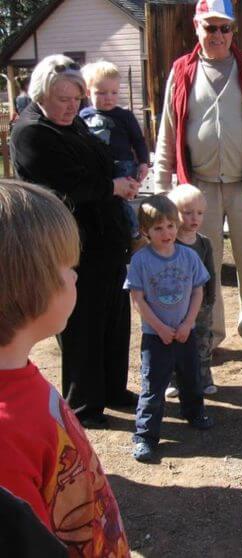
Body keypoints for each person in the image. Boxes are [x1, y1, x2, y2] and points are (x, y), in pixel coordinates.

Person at [10, 54, 140, 428]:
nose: (72, 106)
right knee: (82, 324)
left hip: (106, 240)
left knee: (114, 320)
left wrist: (122, 181)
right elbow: (62, 188)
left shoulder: (73, 124)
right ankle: (85, 404)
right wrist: (111, 187)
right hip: (72, 246)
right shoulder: (32, 131)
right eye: (63, 99)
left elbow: (102, 161)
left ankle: (114, 389)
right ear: (42, 95)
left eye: (76, 99)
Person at [0, 180, 129, 556]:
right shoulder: (6, 437)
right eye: (68, 266)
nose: (76, 276)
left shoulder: (19, 373)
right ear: (28, 284)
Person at [154, 0, 242, 359]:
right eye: (210, 27)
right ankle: (209, 336)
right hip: (198, 188)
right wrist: (162, 190)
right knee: (203, 265)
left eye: (224, 28)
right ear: (196, 27)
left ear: (233, 31)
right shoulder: (181, 71)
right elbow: (167, 131)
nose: (217, 34)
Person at [125, 195, 214, 463]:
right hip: (156, 336)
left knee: (191, 376)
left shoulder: (188, 256)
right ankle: (145, 435)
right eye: (158, 228)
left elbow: (198, 291)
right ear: (145, 231)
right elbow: (138, 299)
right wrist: (160, 327)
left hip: (185, 332)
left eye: (171, 226)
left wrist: (188, 323)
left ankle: (193, 411)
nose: (167, 233)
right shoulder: (141, 260)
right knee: (153, 384)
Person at [80, 60, 150, 246]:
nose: (108, 98)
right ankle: (105, 232)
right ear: (88, 93)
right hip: (97, 165)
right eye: (101, 93)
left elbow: (138, 140)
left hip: (123, 164)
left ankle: (135, 233)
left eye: (114, 92)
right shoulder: (83, 116)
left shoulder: (124, 116)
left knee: (120, 199)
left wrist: (143, 162)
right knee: (102, 199)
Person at [165, 184, 218, 397]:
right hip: (174, 304)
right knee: (174, 341)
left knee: (202, 340)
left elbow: (211, 272)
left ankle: (204, 378)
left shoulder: (204, 243)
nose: (194, 218)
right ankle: (173, 380)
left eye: (199, 213)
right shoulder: (169, 242)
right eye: (187, 213)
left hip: (201, 304)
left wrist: (211, 298)